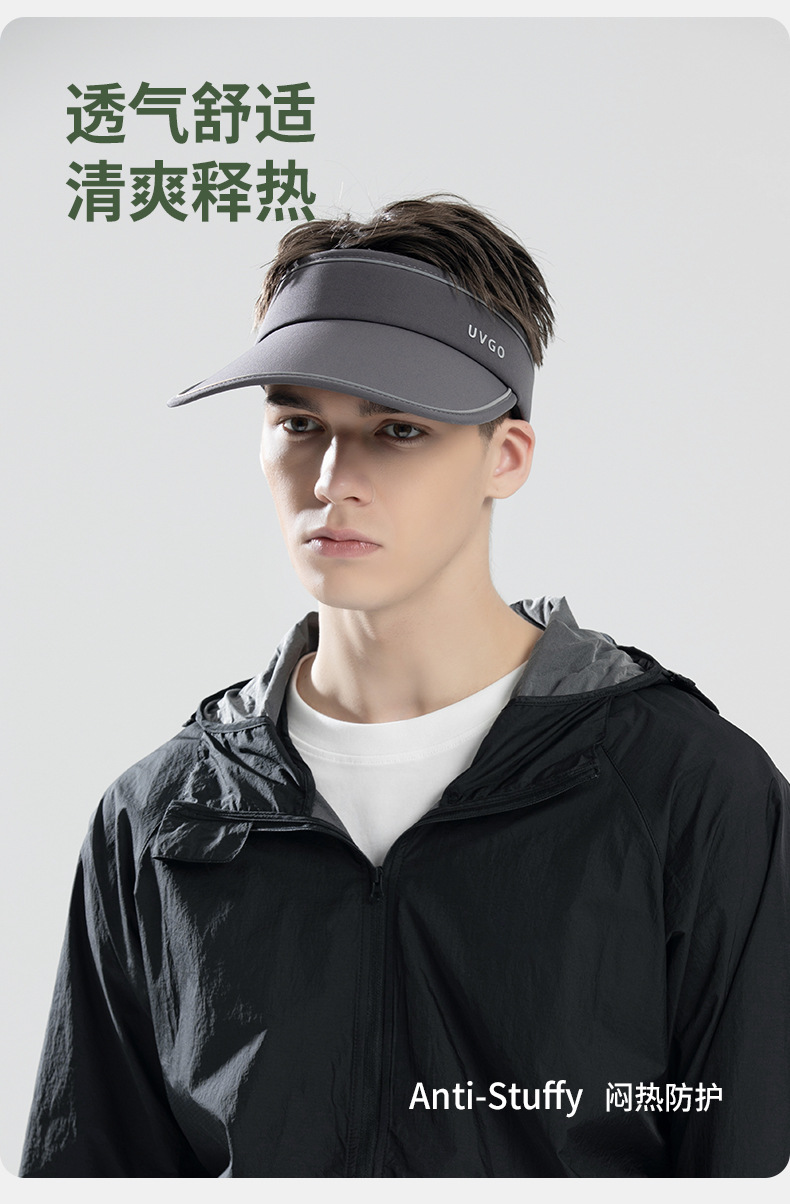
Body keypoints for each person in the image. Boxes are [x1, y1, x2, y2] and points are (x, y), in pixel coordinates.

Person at [19, 195, 790, 1178]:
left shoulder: (690, 793)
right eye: (299, 422)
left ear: (505, 456)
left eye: (397, 429)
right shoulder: (159, 820)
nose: (332, 477)